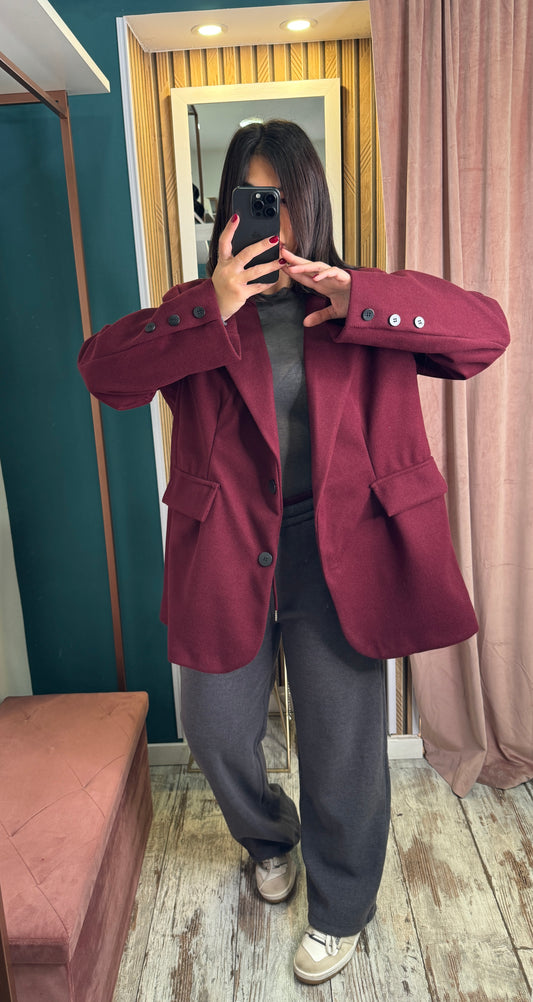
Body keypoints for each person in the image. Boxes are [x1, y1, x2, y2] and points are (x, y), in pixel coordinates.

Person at [78, 120, 509, 985]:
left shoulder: (359, 306)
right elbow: (104, 373)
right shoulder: (201, 309)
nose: (267, 219)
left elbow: (485, 334)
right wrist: (208, 306)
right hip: (225, 545)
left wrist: (363, 297)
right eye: (252, 201)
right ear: (228, 212)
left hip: (340, 546)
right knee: (214, 728)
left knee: (341, 744)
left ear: (309, 205)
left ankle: (341, 905)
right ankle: (269, 838)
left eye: (281, 200)